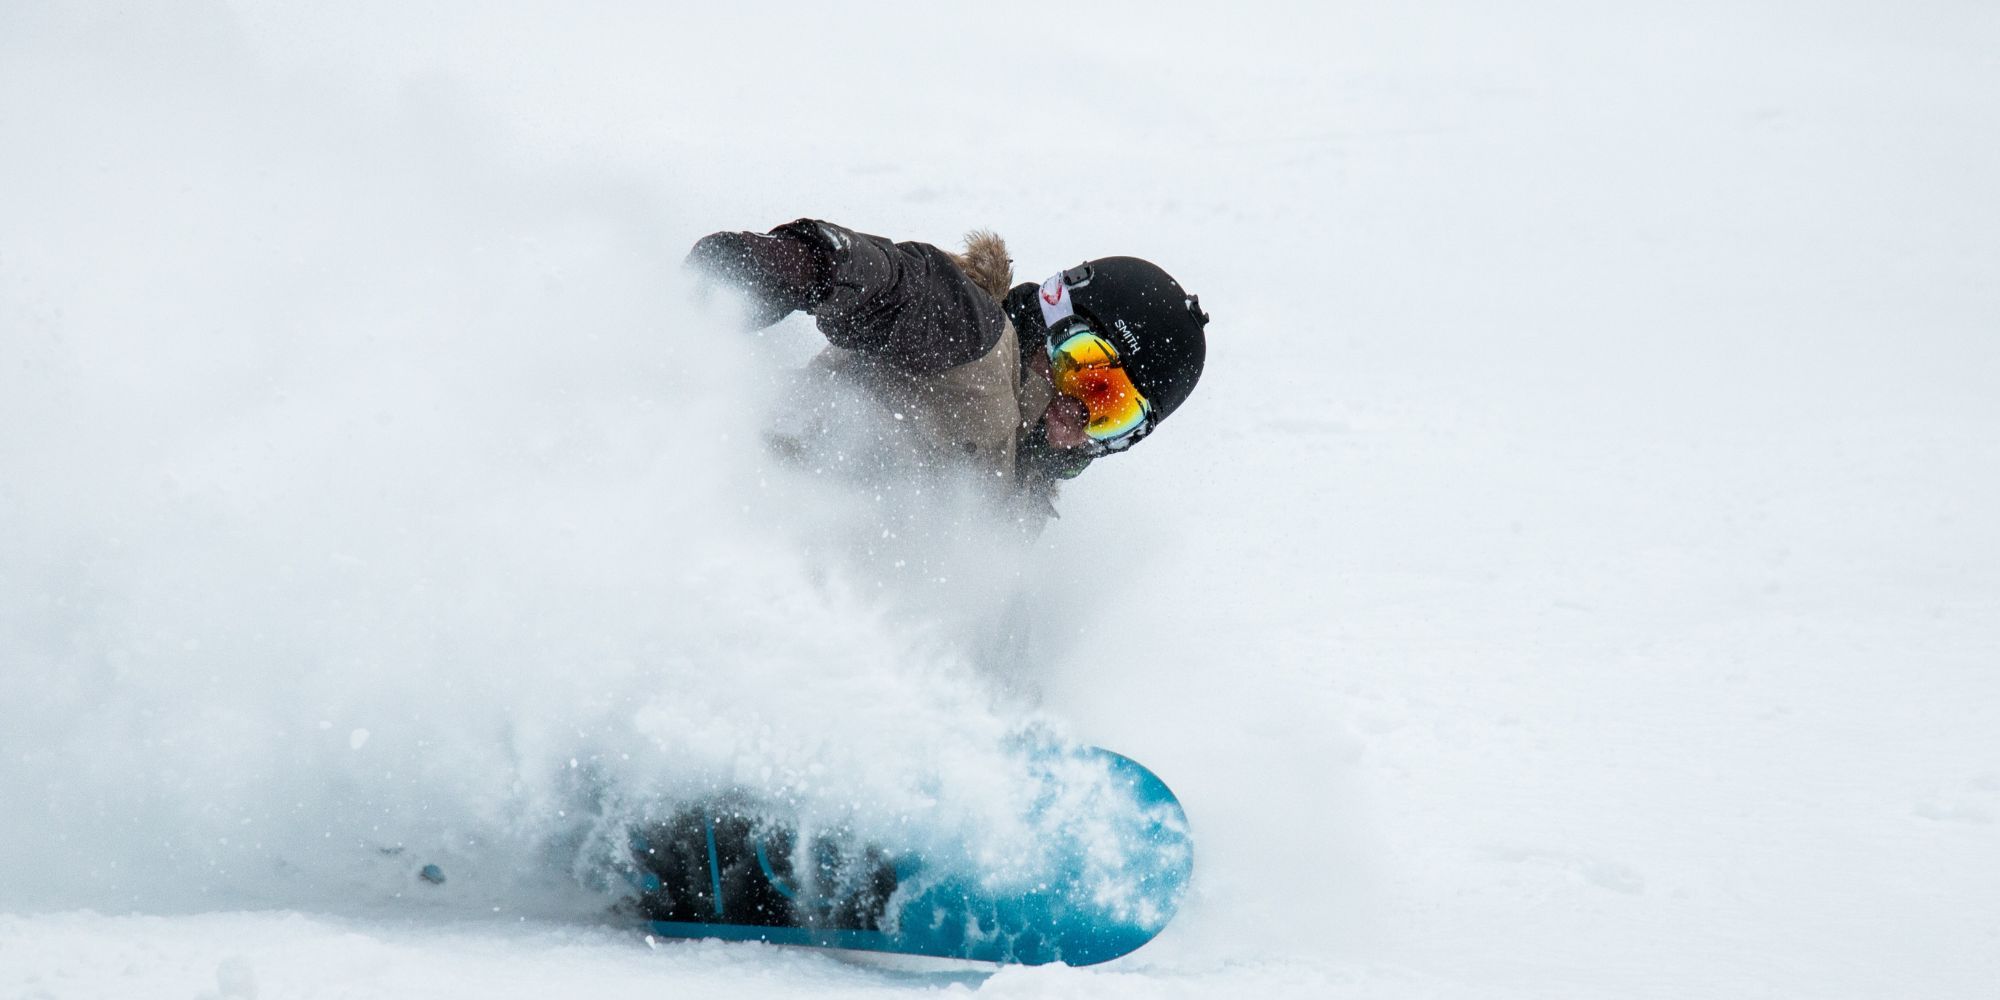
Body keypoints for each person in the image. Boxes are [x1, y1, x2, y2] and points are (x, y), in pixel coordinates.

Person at [685, 219, 1209, 529]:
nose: (1075, 420)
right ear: (1053, 314)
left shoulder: (1018, 499)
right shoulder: (975, 339)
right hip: (741, 511)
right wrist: (793, 266)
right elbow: (898, 285)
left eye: (1112, 414)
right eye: (1088, 374)